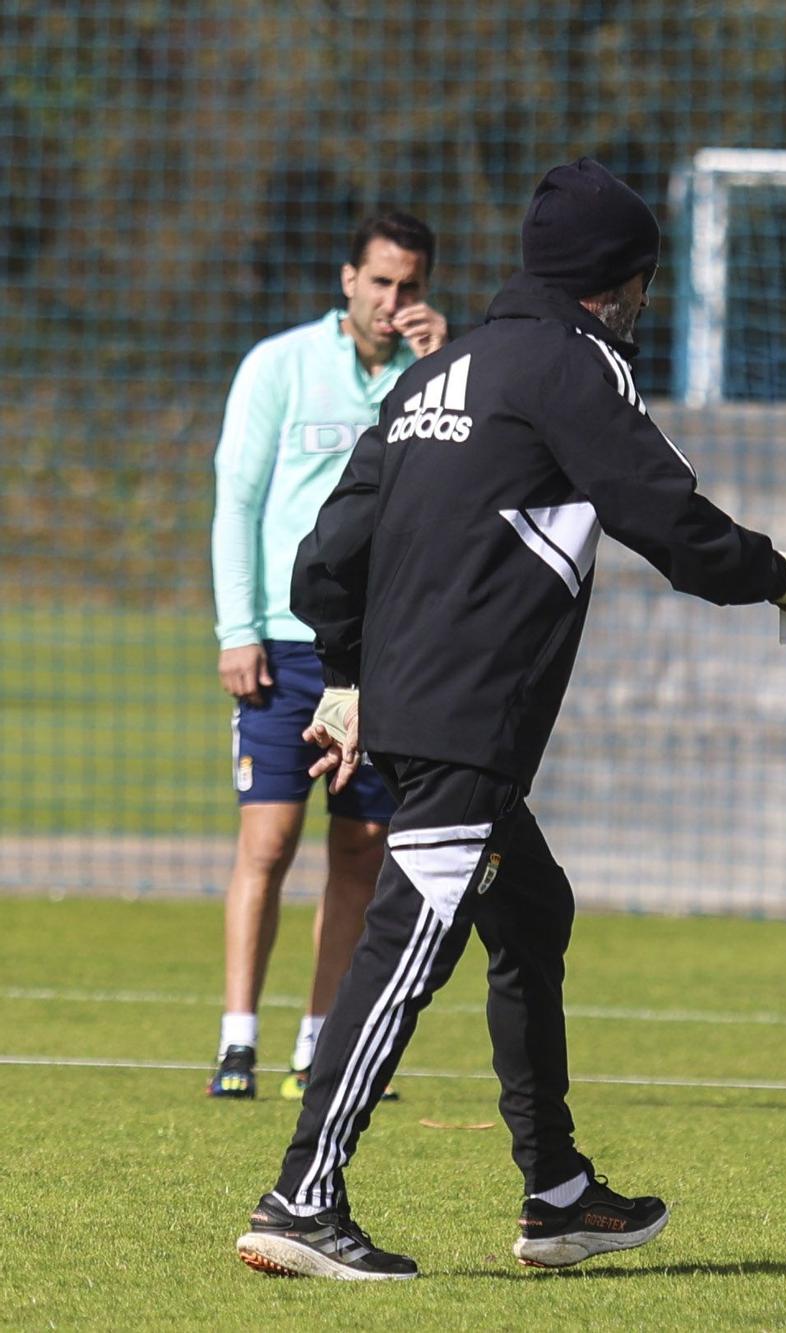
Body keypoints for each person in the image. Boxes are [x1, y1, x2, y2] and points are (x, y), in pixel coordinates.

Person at [233, 158, 786, 1281]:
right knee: (410, 946)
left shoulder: (435, 375)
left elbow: (329, 549)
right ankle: (302, 1195)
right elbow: (667, 520)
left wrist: (349, 673)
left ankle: (556, 1191)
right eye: (644, 282)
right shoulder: (573, 366)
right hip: (467, 720)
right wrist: (784, 577)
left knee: (533, 912)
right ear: (621, 282)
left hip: (417, 702)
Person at [208, 212, 448, 1101]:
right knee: (267, 842)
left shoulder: (437, 380)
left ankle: (321, 1042)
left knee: (363, 846)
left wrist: (435, 370)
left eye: (410, 286)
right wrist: (239, 628)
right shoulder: (279, 366)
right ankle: (238, 1039)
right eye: (380, 283)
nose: (393, 302)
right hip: (280, 641)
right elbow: (237, 500)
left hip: (379, 650)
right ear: (348, 279)